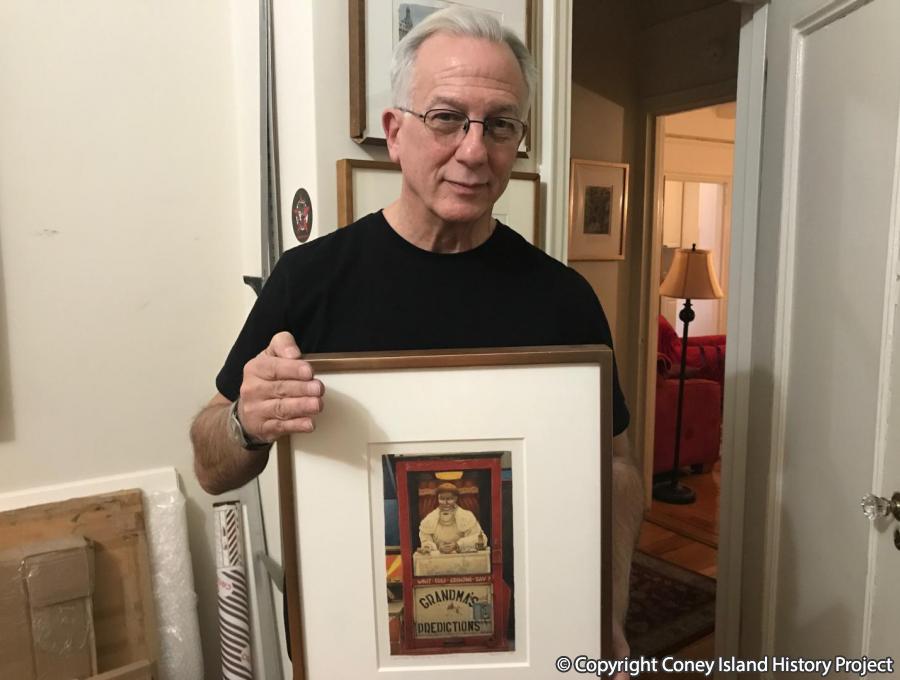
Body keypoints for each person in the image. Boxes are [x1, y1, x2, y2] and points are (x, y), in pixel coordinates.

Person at [190, 6, 643, 671]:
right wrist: (245, 422)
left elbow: (618, 468)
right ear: (395, 132)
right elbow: (210, 464)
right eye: (446, 117)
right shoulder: (308, 281)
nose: (474, 150)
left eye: (500, 124)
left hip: (523, 644)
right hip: (353, 645)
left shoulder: (563, 298)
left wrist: (607, 606)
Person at [417, 483, 487, 554]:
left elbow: (482, 539)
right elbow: (426, 541)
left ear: (455, 498)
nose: (445, 503)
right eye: (442, 499)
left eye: (449, 499)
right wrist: (432, 547)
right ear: (438, 499)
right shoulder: (429, 519)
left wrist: (458, 545)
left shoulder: (467, 516)